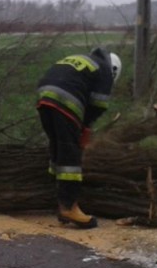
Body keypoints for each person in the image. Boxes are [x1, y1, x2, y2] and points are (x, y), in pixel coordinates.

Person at [36, 47, 122, 229]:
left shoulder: (84, 59)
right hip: (66, 98)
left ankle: (57, 199)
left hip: (44, 94)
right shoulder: (105, 70)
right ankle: (69, 207)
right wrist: (84, 127)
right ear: (114, 70)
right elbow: (98, 104)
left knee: (57, 147)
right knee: (70, 154)